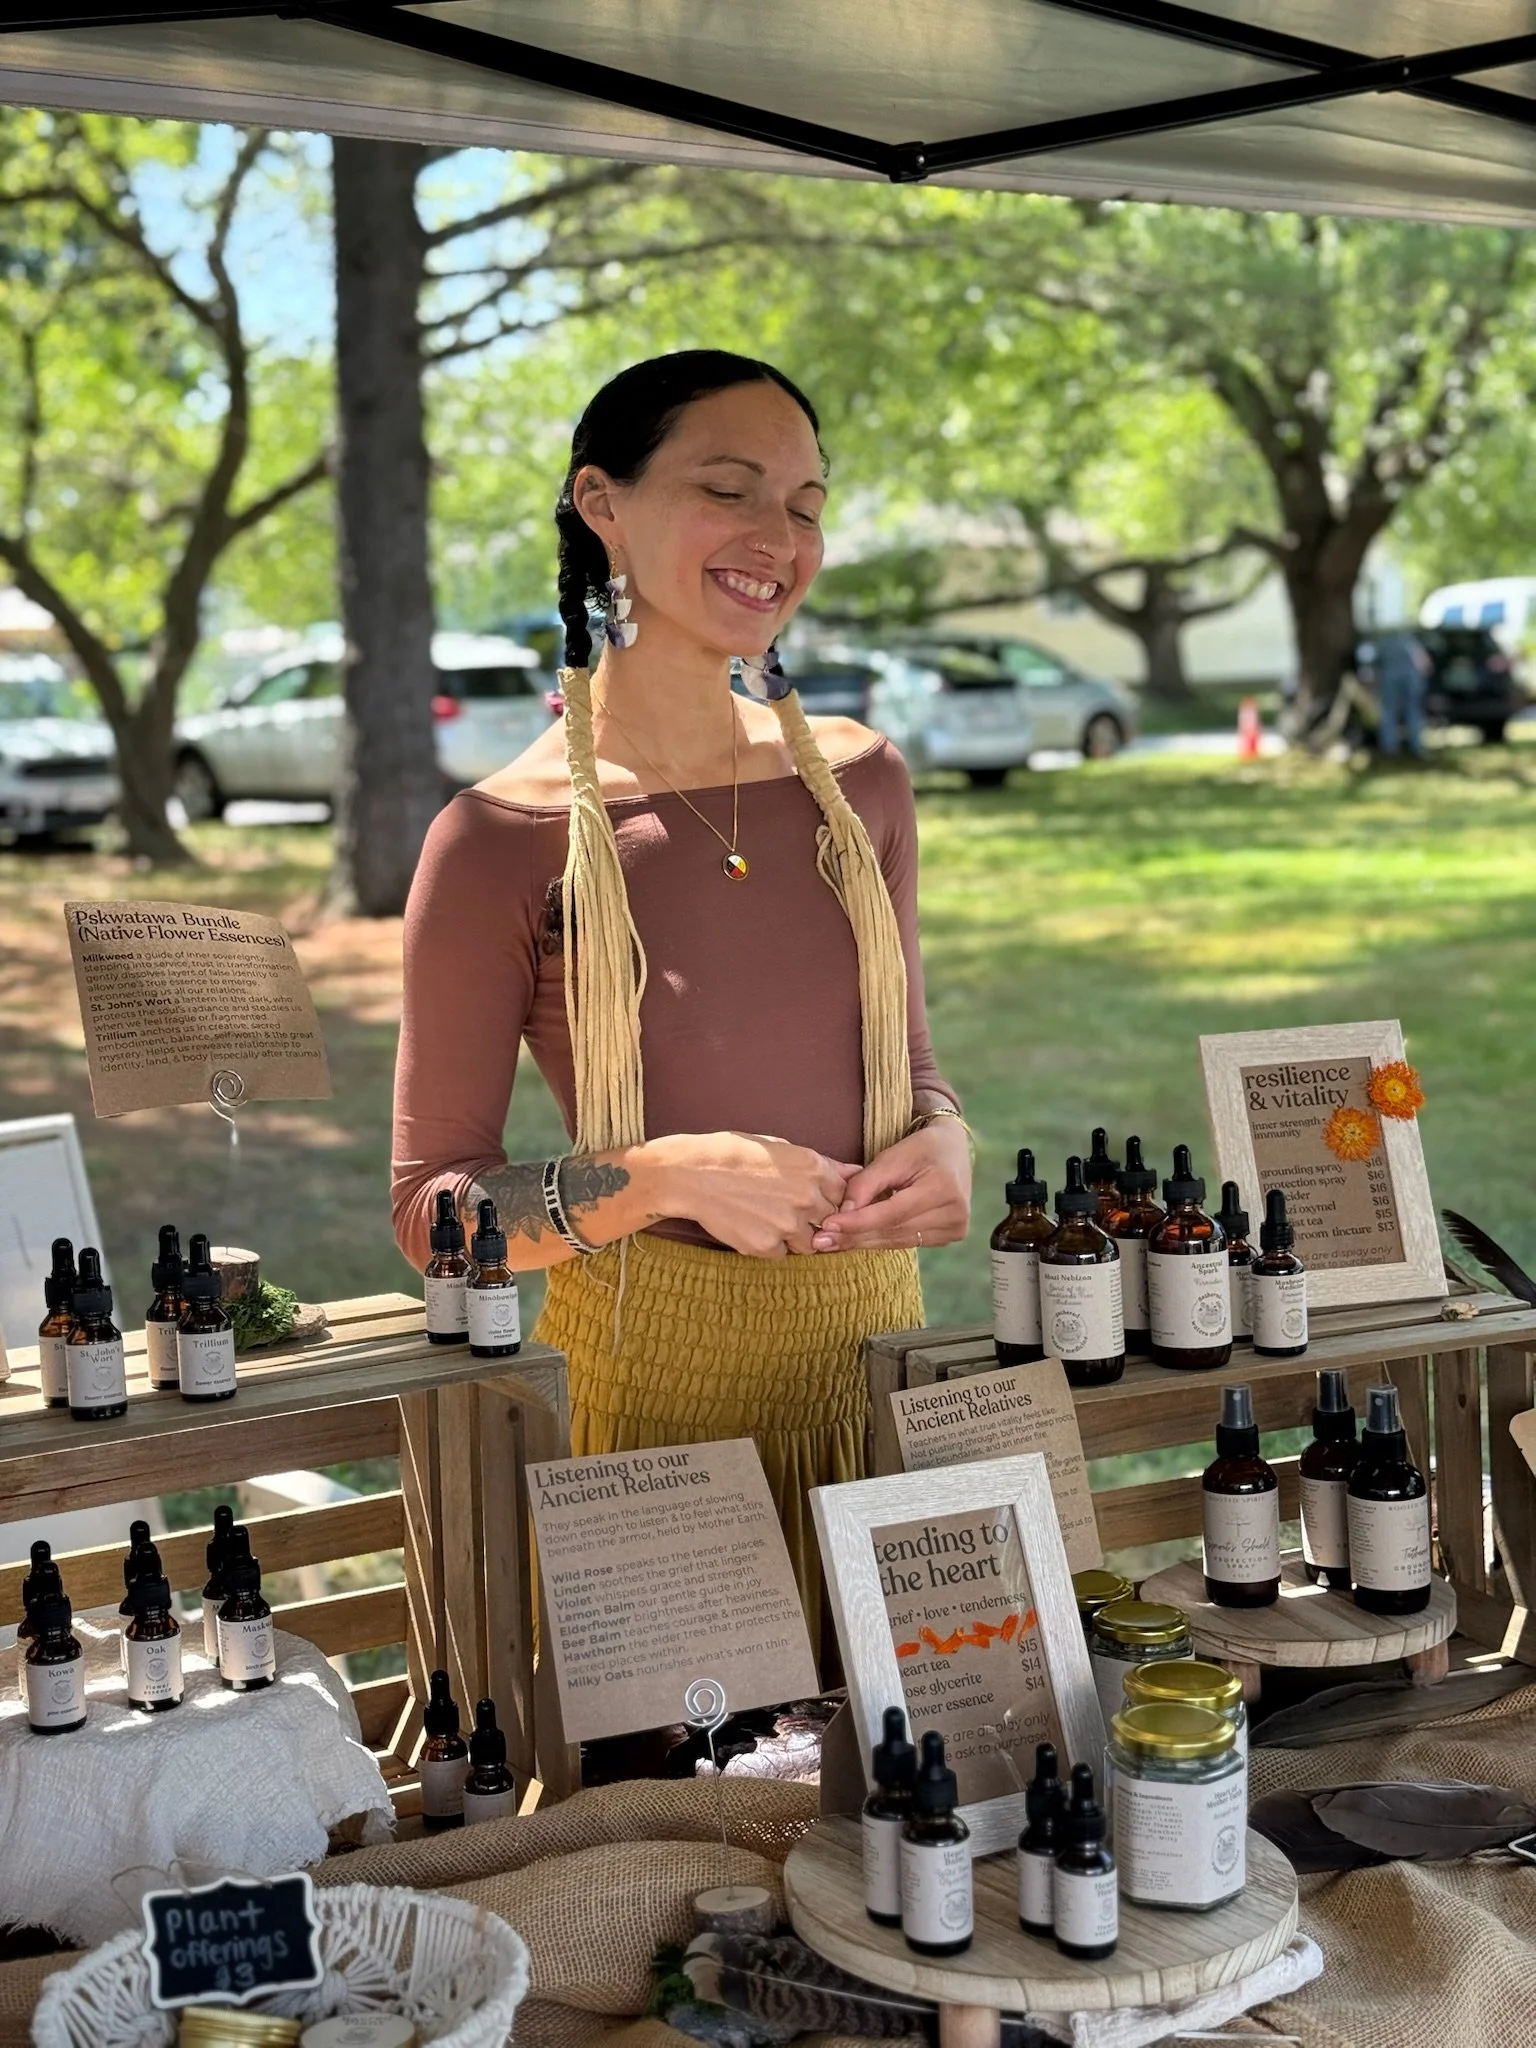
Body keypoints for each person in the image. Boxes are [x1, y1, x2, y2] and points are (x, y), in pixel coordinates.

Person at [392, 351, 970, 1656]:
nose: (781, 539)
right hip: (647, 1432)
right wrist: (656, 1179)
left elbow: (911, 1060)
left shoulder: (863, 784)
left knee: (924, 1810)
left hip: (877, 1390)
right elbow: (435, 1220)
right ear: (603, 503)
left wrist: (945, 1137)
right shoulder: (499, 838)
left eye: (808, 503)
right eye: (730, 489)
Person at [1373, 633, 1431, 760]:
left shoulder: (1384, 644)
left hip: (1389, 679)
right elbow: (1424, 663)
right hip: (1411, 680)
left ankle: (1389, 748)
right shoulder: (1412, 643)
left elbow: (1375, 665)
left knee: (1389, 712)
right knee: (1413, 711)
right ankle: (1416, 746)